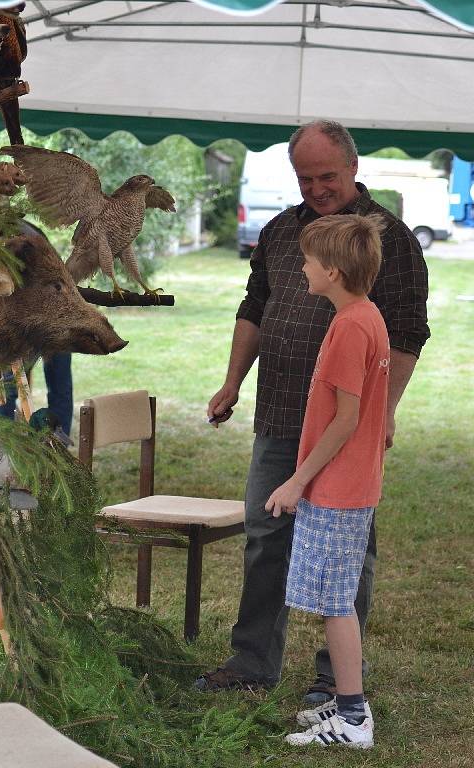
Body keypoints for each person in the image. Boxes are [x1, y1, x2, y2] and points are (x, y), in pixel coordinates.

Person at [196, 120, 429, 702]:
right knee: (264, 534)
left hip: (345, 427)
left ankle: (335, 678)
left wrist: (387, 411)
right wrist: (232, 382)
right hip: (279, 411)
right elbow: (255, 307)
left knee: (349, 546)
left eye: (327, 175)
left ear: (352, 167)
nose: (317, 187)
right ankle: (252, 662)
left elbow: (406, 333)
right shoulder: (280, 231)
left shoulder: (388, 238)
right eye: (306, 177)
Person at [266, 213, 388, 749]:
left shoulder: (348, 327)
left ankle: (354, 718)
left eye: (309, 260)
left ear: (333, 271)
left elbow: (346, 418)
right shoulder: (366, 316)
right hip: (347, 485)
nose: (303, 266)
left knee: (336, 602)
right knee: (334, 597)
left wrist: (297, 481)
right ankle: (345, 706)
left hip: (337, 489)